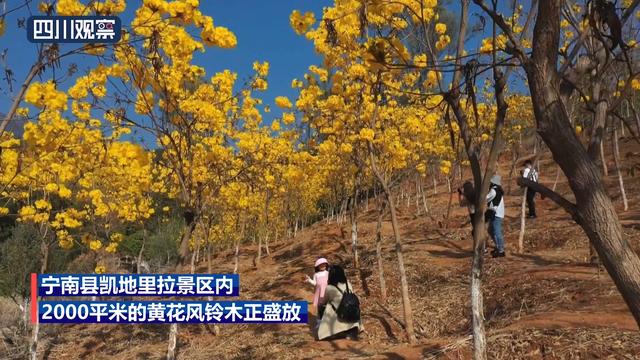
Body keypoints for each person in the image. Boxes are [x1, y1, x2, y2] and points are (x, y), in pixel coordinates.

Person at [316, 265, 363, 341]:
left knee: (324, 306)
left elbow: (322, 302)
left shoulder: (329, 288)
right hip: (352, 314)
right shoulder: (348, 284)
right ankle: (351, 330)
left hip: (340, 315)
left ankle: (327, 329)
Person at [485, 174, 506, 258]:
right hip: (497, 213)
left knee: (497, 232)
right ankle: (498, 247)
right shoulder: (498, 189)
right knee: (491, 230)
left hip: (496, 214)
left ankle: (501, 250)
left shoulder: (494, 190)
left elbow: (486, 198)